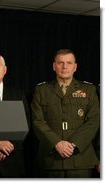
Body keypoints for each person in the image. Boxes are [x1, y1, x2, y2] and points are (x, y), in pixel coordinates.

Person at [31, 49, 99, 178]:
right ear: (54, 66)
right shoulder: (41, 90)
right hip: (51, 160)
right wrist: (56, 143)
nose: (65, 66)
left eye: (69, 62)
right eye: (60, 62)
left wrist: (73, 144)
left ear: (75, 67)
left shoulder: (89, 90)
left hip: (80, 159)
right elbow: (37, 121)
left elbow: (93, 121)